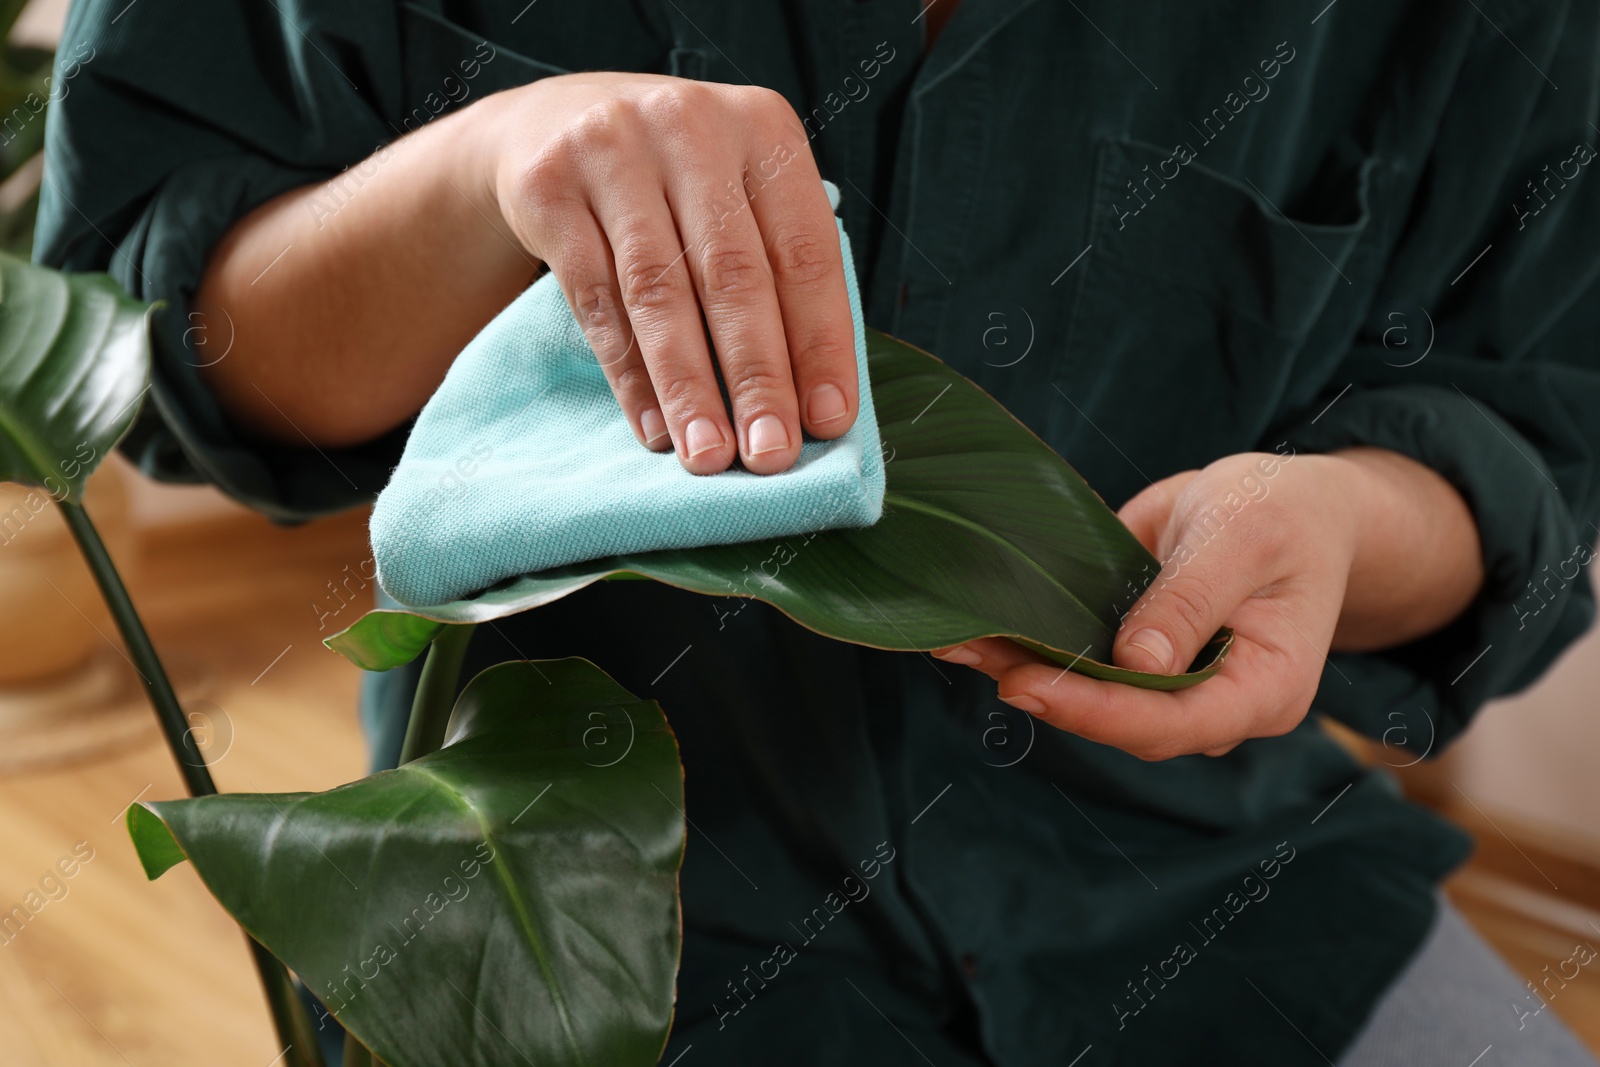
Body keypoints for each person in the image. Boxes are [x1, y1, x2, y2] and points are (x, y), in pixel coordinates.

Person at [37, 0, 1600, 1063]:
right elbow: (152, 327)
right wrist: (480, 179)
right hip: (587, 914)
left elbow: (1539, 421)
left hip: (1214, 892)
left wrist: (1345, 520)